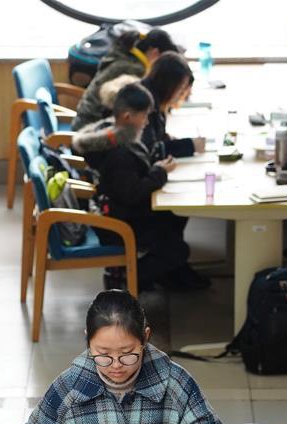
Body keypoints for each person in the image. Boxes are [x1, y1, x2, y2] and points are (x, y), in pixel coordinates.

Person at [19, 290, 224, 424]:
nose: (116, 365)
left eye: (127, 354)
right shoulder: (69, 388)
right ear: (87, 340)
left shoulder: (174, 382)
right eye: (103, 354)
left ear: (145, 338)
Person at [72, 82, 205, 291]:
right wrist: (159, 172)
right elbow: (132, 193)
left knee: (176, 215)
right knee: (177, 249)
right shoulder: (119, 152)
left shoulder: (115, 136)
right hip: (120, 223)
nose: (146, 122)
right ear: (127, 117)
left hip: (120, 210)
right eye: (143, 116)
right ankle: (129, 278)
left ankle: (168, 273)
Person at [72, 28, 178, 130]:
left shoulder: (124, 55)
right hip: (91, 128)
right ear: (155, 53)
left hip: (83, 120)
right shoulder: (135, 70)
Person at [140, 52, 206, 161]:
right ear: (168, 85)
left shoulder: (155, 99)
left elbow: (157, 137)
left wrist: (169, 139)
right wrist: (190, 145)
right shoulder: (144, 104)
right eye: (180, 89)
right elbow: (150, 151)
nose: (180, 96)